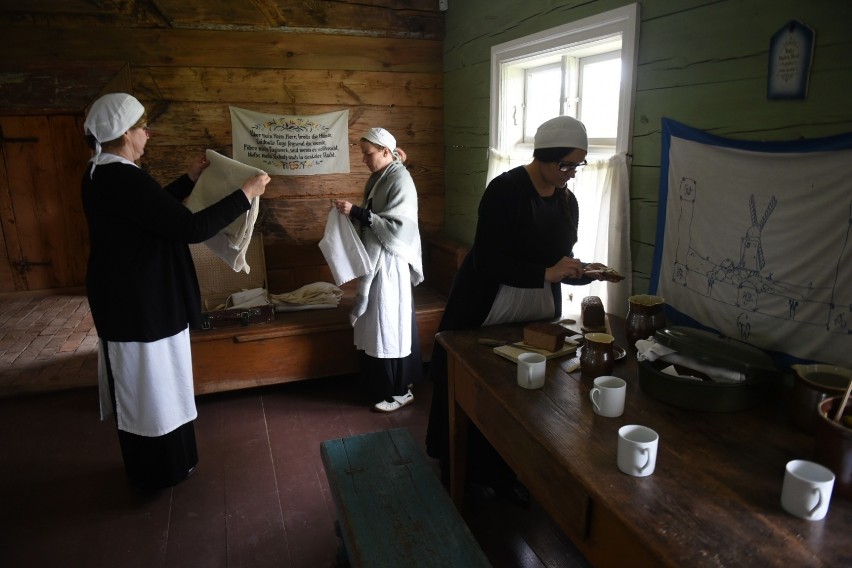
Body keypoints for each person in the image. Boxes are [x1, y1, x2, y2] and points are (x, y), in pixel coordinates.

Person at [424, 115, 621, 501]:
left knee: (521, 393)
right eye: (565, 164)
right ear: (542, 157)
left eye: (577, 166)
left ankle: (508, 470)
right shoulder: (505, 191)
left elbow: (559, 261)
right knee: (475, 384)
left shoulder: (567, 201)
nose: (571, 174)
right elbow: (488, 262)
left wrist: (581, 272)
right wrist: (548, 272)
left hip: (535, 307)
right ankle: (462, 466)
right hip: (488, 304)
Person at [81, 93, 270, 489]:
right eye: (142, 128)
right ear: (125, 134)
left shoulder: (100, 172)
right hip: (143, 302)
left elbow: (152, 212)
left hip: (129, 297)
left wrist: (188, 178)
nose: (147, 135)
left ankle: (162, 463)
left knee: (151, 386)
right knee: (153, 387)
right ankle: (161, 468)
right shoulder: (124, 177)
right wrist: (245, 194)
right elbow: (189, 228)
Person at [332, 128, 424, 412]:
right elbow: (377, 215)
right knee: (378, 323)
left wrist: (356, 212)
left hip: (391, 262)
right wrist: (354, 215)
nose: (364, 159)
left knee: (388, 325)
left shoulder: (400, 179)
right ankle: (382, 384)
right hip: (378, 260)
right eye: (363, 153)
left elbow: (399, 227)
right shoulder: (382, 176)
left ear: (385, 151)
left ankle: (398, 390)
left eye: (368, 153)